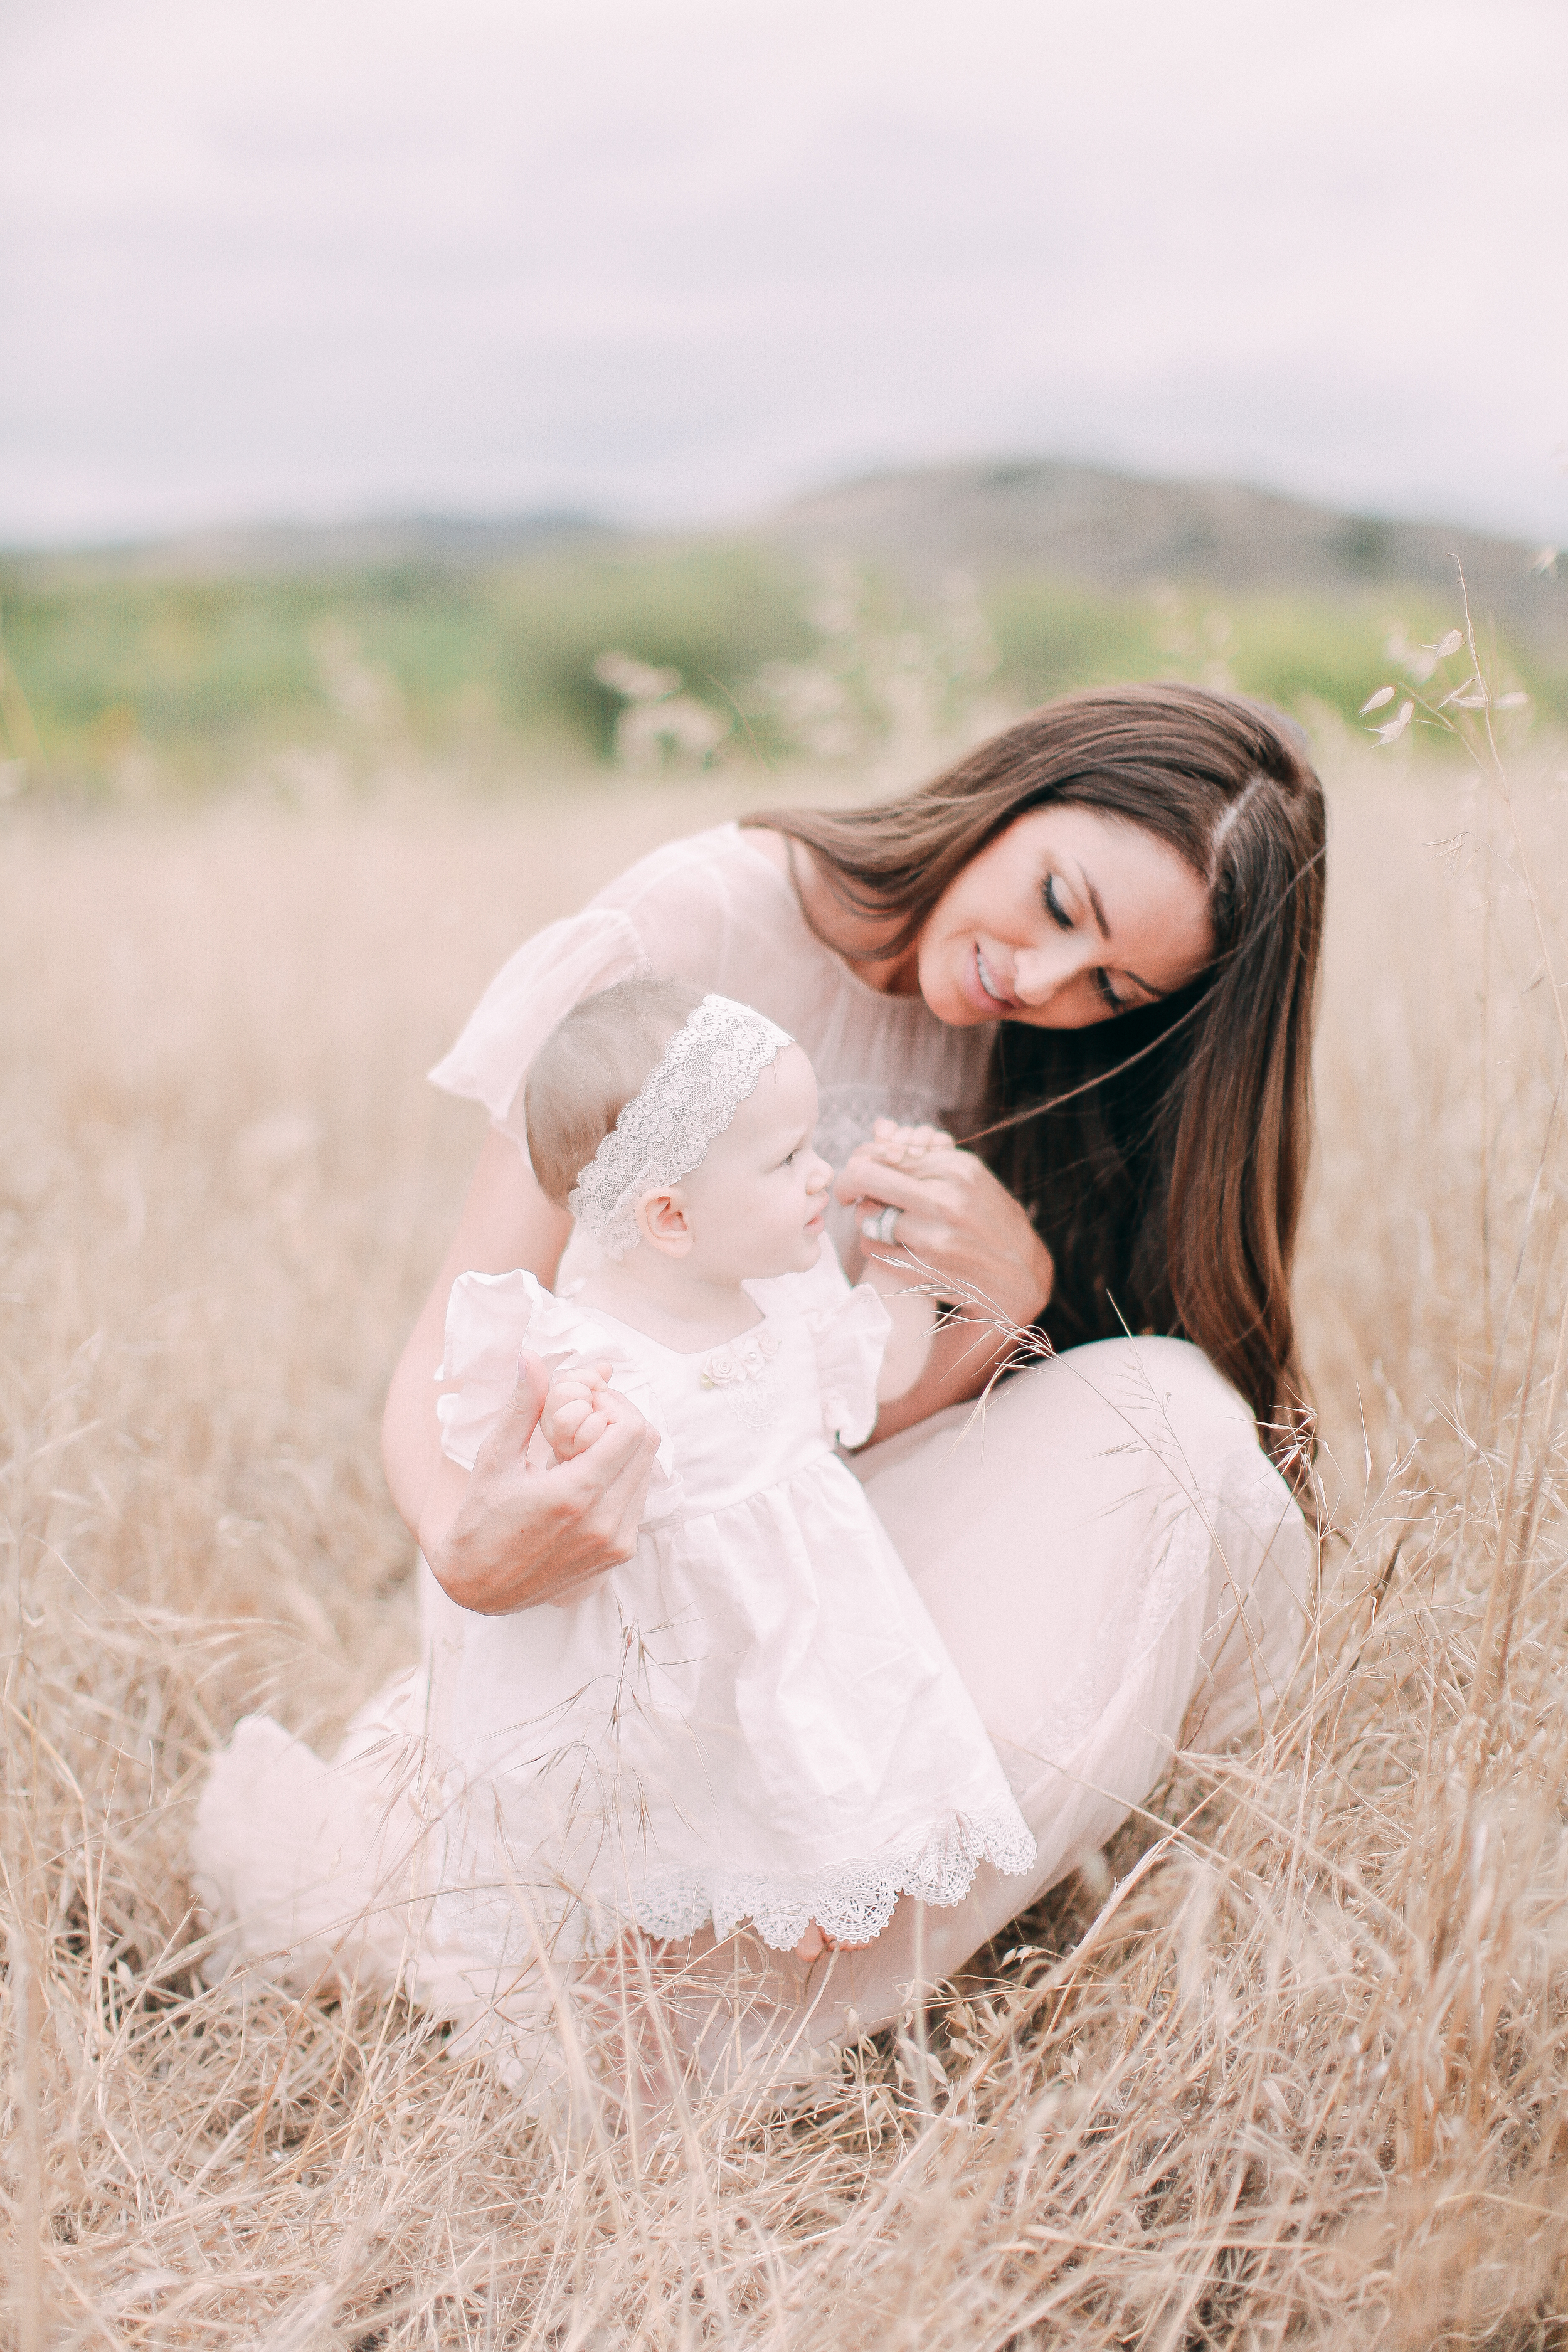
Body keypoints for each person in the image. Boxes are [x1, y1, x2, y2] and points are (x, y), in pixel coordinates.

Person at [371, 680, 1322, 2084]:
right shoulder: (689, 927)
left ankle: (1141, 1931)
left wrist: (1009, 1310)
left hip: (815, 1549)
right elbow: (469, 1316)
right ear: (1018, 788)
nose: (1042, 985)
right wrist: (468, 1547)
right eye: (1059, 902)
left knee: (1181, 1417)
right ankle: (652, 2009)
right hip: (632, 1581)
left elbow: (844, 1421)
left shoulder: (1038, 1048)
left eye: (1111, 987)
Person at [191, 985, 1037, 2072]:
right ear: (670, 1218)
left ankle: (814, 2010)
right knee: (651, 1893)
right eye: (786, 1163)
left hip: (800, 1647)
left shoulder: (783, 1295)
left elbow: (881, 1369)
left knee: (821, 1824)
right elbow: (551, 1517)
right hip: (669, 1688)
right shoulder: (596, 1360)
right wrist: (573, 1439)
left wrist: (903, 1262)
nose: (819, 1175)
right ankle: (629, 2055)